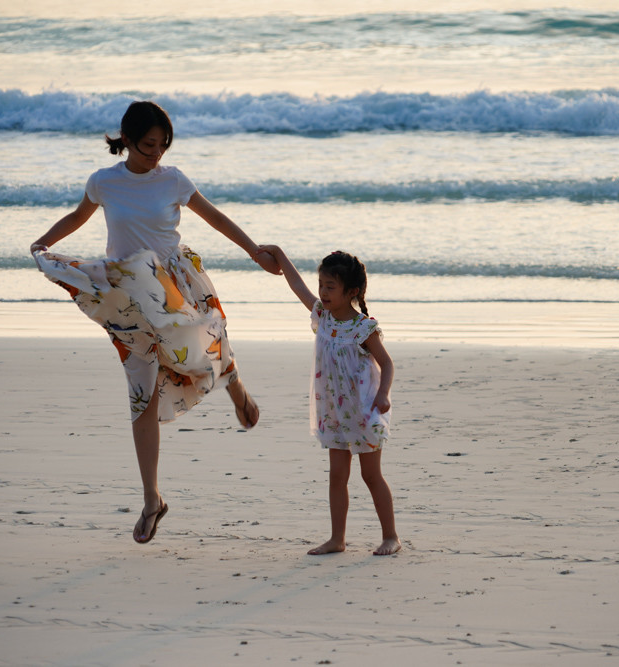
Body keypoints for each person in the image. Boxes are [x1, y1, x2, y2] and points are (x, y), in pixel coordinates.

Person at [30, 100, 281, 545]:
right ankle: (152, 499)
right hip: (128, 296)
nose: (156, 155)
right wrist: (46, 241)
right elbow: (78, 217)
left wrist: (254, 251)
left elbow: (216, 217)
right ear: (125, 140)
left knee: (201, 344)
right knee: (141, 394)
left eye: (163, 146)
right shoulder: (104, 182)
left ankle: (235, 385)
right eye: (148, 146)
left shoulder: (174, 180)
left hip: (172, 285)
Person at [259, 245, 400, 556]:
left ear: (351, 291)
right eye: (321, 284)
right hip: (334, 411)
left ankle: (391, 536)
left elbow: (387, 363)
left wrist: (383, 394)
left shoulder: (363, 327)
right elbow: (297, 285)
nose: (322, 292)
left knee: (370, 474)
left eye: (330, 286)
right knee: (337, 475)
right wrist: (280, 256)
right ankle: (337, 539)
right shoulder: (322, 317)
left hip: (364, 411)